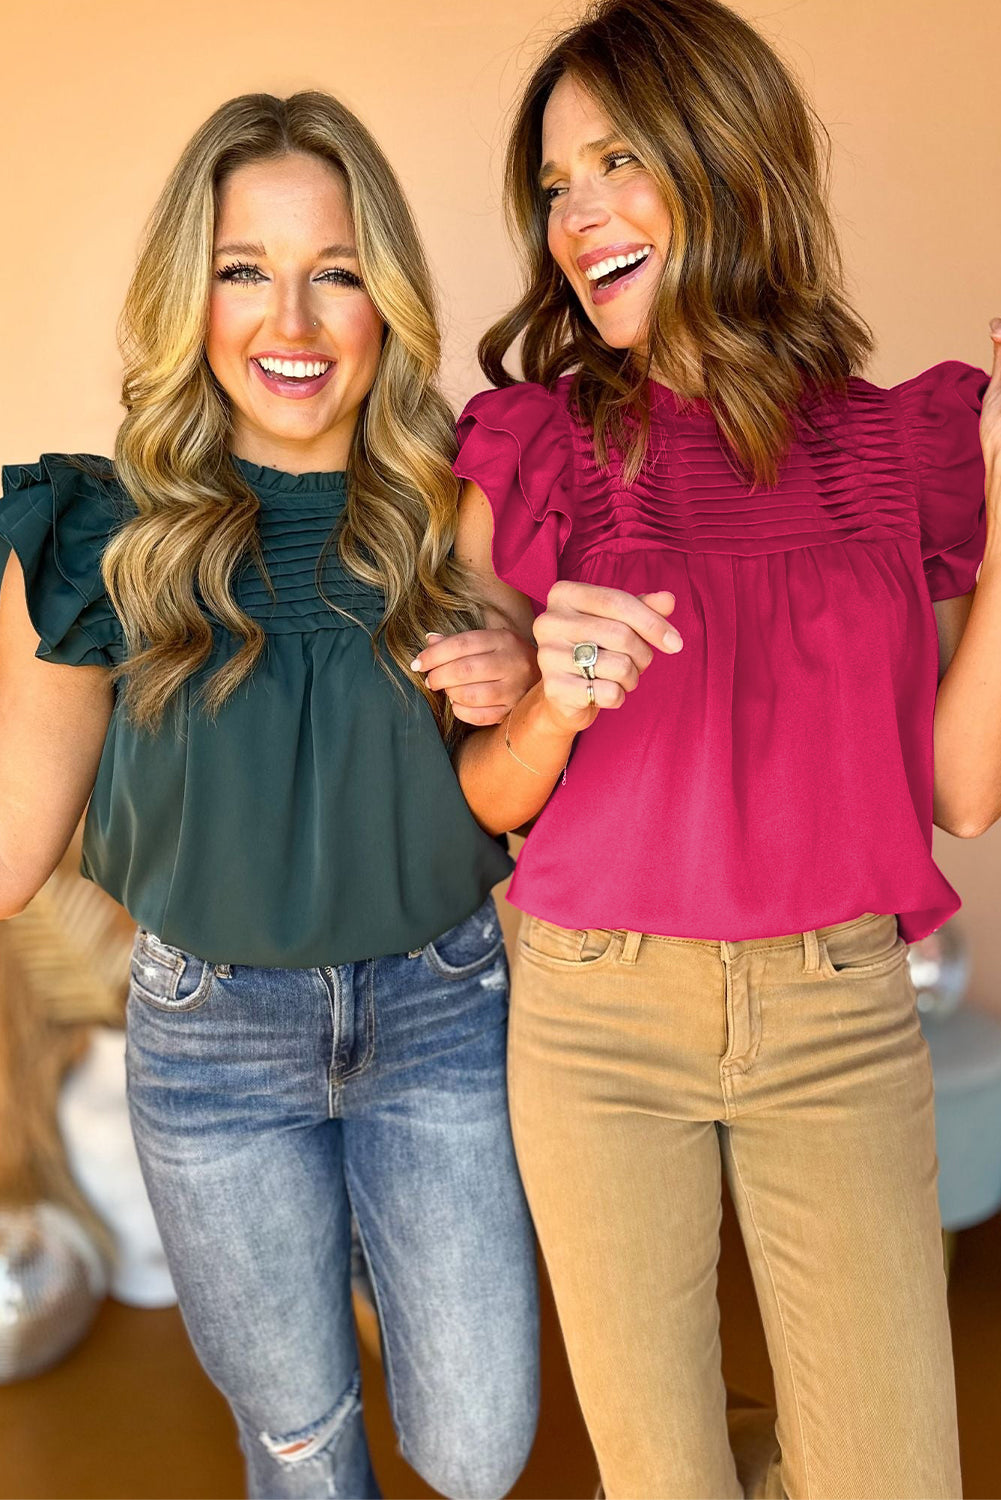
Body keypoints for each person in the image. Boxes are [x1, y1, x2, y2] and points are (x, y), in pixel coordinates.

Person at [414, 1, 1001, 1494]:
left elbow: (961, 790)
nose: (575, 216)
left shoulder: (896, 447)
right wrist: (549, 698)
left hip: (838, 1013)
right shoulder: (533, 445)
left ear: (724, 160)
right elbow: (482, 801)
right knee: (660, 1480)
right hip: (593, 1020)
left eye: (617, 163)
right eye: (553, 185)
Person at [0, 91, 540, 1500]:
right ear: (192, 292)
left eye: (337, 271)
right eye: (245, 269)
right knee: (300, 1439)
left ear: (389, 299)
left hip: (442, 1010)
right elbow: (9, 852)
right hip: (212, 1039)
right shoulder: (90, 536)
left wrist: (525, 674)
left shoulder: (463, 494)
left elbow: (537, 786)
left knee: (479, 1449)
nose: (289, 322)